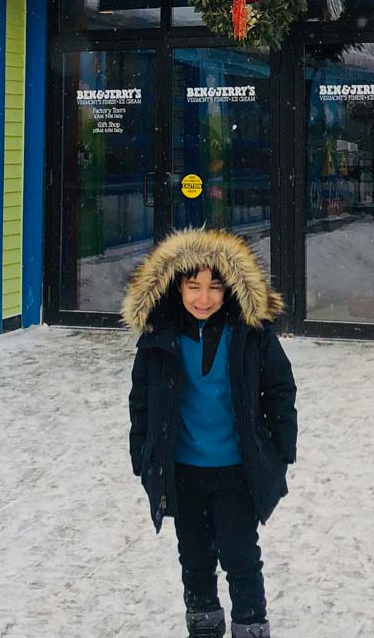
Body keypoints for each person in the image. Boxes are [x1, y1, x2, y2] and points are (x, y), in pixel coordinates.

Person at [123, 227, 297, 638]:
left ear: (231, 288)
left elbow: (279, 388)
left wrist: (280, 449)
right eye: (193, 286)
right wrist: (142, 453)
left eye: (215, 287)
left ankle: (251, 624)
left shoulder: (249, 334)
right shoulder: (159, 337)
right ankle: (203, 623)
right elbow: (142, 400)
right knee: (195, 557)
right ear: (175, 287)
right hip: (183, 471)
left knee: (241, 556)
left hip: (236, 469)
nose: (204, 298)